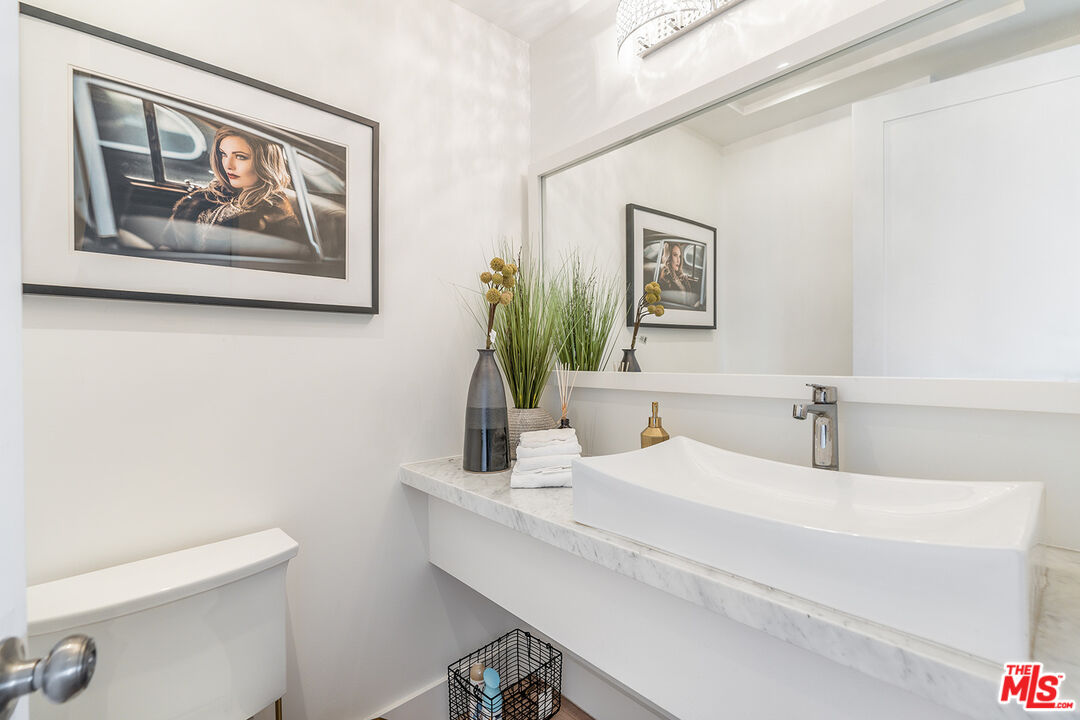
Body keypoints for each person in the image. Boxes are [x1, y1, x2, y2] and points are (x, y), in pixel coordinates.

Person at [162, 126, 308, 256]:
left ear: (264, 162)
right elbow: (170, 243)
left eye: (240, 157)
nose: (228, 165)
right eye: (224, 154)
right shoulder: (213, 195)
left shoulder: (272, 218)